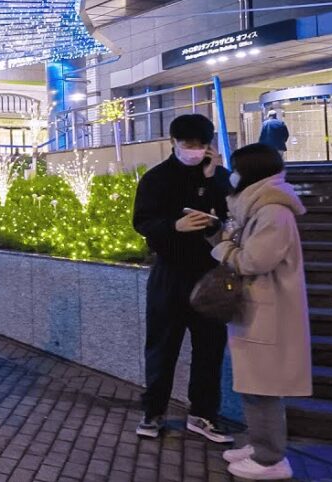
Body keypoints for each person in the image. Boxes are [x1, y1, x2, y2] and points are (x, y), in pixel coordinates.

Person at [210, 144, 310, 480]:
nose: (231, 174)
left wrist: (222, 247)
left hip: (268, 312)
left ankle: (271, 459)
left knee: (264, 388)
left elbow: (254, 260)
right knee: (253, 385)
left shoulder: (273, 212)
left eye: (235, 168)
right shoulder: (256, 207)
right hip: (255, 310)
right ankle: (259, 444)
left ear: (250, 172)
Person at [132, 114, 234, 443]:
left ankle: (203, 414)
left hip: (209, 273)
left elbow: (233, 214)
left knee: (210, 346)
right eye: (188, 144)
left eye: (201, 145)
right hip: (170, 273)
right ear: (173, 142)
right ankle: (154, 411)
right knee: (162, 347)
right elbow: (143, 221)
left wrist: (214, 179)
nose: (194, 150)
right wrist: (172, 227)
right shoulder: (156, 178)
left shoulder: (220, 177)